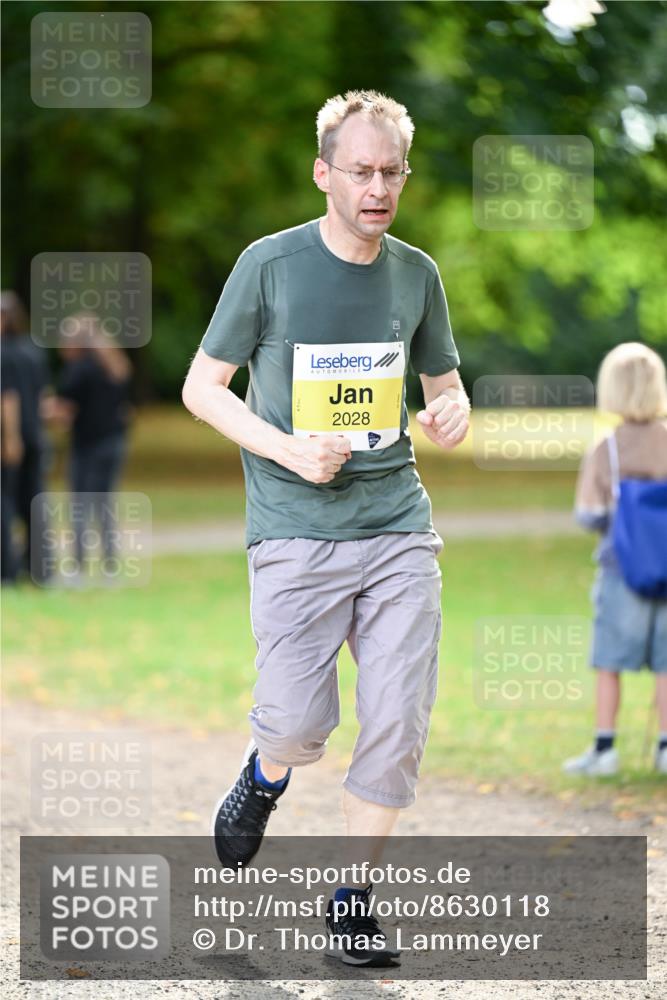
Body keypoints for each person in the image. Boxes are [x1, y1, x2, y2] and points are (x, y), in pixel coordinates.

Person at [182, 90, 470, 967]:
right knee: (299, 722)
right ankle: (267, 769)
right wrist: (286, 450)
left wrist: (451, 411)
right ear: (323, 174)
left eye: (392, 171)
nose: (378, 186)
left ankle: (352, 900)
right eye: (360, 170)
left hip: (395, 527)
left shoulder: (416, 274)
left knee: (396, 718)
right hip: (294, 527)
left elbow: (441, 386)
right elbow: (201, 390)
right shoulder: (268, 266)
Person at [563, 343, 667, 778]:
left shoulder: (606, 450)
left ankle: (604, 749)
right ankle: (664, 749)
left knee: (609, 661)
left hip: (622, 570)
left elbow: (590, 515)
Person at [54, 313, 132, 578]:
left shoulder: (79, 369)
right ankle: (110, 565)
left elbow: (65, 411)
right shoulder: (112, 366)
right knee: (105, 505)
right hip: (113, 443)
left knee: (80, 505)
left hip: (88, 446)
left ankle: (77, 564)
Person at [0, 291, 51, 582]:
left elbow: (8, 399)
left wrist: (10, 439)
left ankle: (6, 570)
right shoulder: (33, 351)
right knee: (34, 504)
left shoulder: (2, 354)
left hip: (10, 442)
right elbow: (43, 398)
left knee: (5, 504)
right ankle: (40, 570)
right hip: (35, 438)